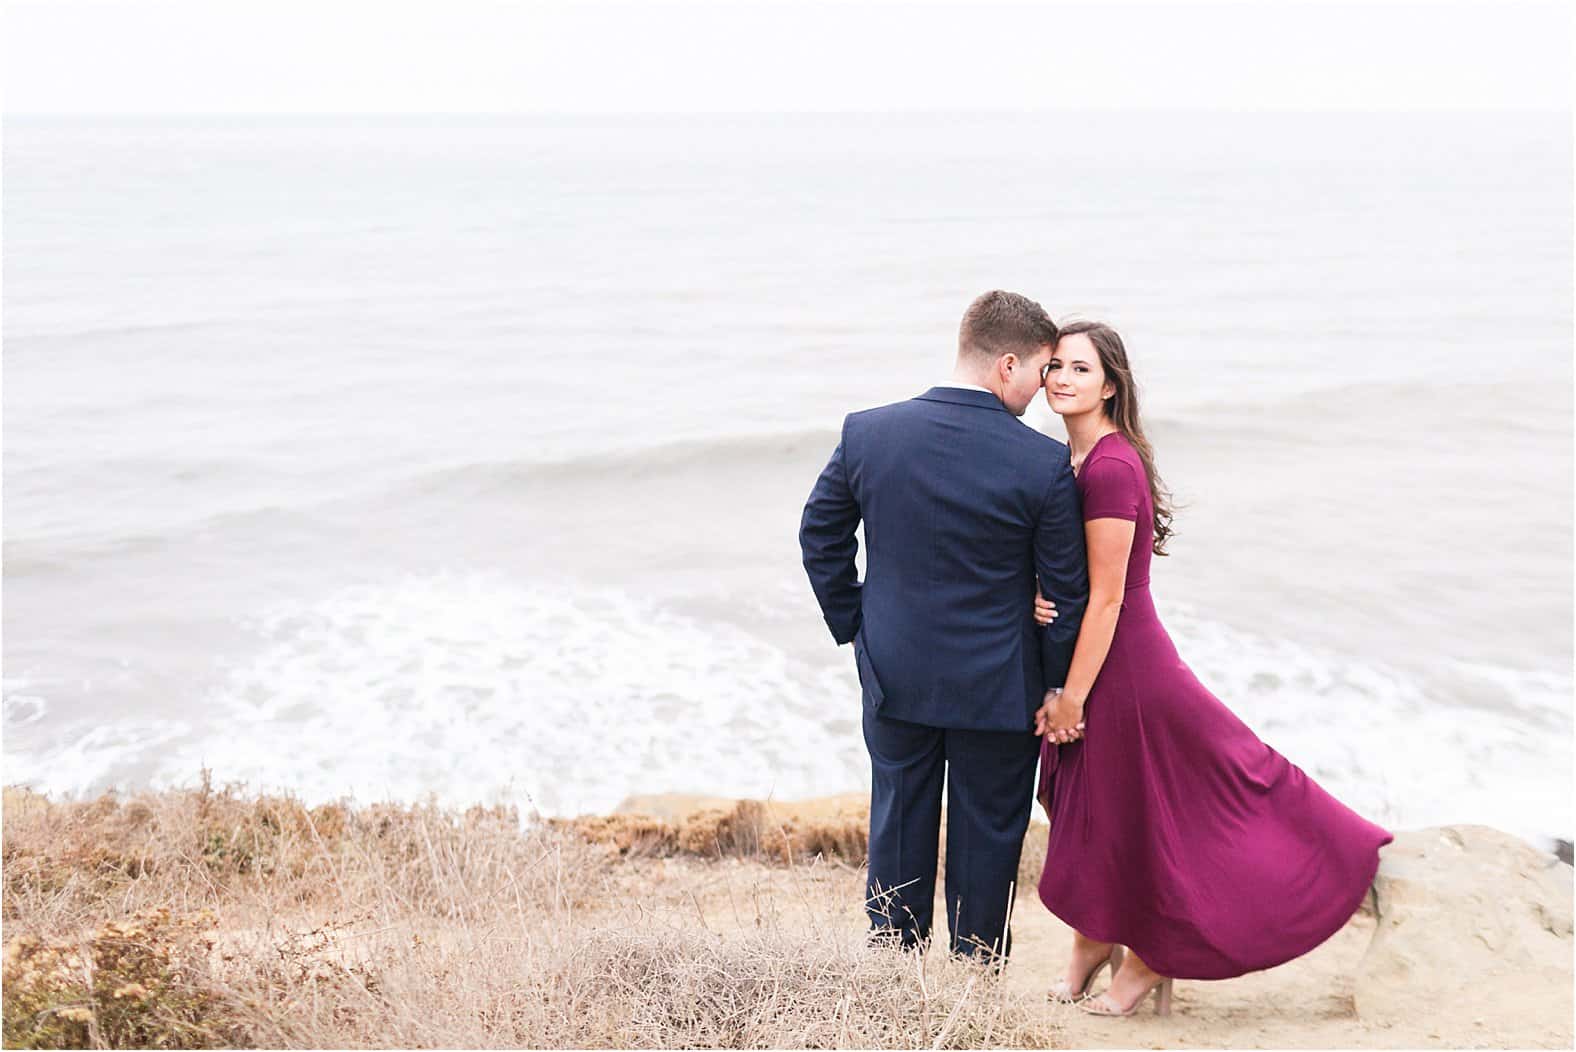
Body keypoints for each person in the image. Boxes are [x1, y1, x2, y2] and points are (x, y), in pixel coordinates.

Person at [1032, 320, 1394, 1016]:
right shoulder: (1070, 462)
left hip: (1127, 666)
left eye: (1080, 368)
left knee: (1178, 804)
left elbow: (1108, 597)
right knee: (1099, 816)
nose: (1061, 379)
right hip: (1098, 655)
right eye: (1054, 366)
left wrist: (1072, 696)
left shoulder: (1108, 465)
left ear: (1110, 384)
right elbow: (1076, 578)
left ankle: (1147, 959)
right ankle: (1091, 948)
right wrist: (1040, 595)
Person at [799, 290, 1089, 963]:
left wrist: (858, 627)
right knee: (987, 842)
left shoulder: (869, 432)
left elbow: (820, 536)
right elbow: (1066, 590)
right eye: (1042, 371)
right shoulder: (1040, 463)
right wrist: (1054, 684)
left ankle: (894, 991)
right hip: (999, 685)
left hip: (896, 671)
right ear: (1006, 365)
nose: (1043, 390)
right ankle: (972, 995)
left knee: (898, 828)